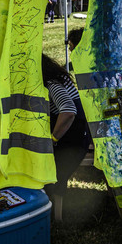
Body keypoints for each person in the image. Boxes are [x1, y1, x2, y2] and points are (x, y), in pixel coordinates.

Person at [42, 54, 91, 214]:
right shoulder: (58, 77)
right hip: (79, 134)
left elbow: (68, 111)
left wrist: (53, 139)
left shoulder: (51, 84)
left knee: (56, 174)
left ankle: (55, 215)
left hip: (74, 139)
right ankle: (55, 213)